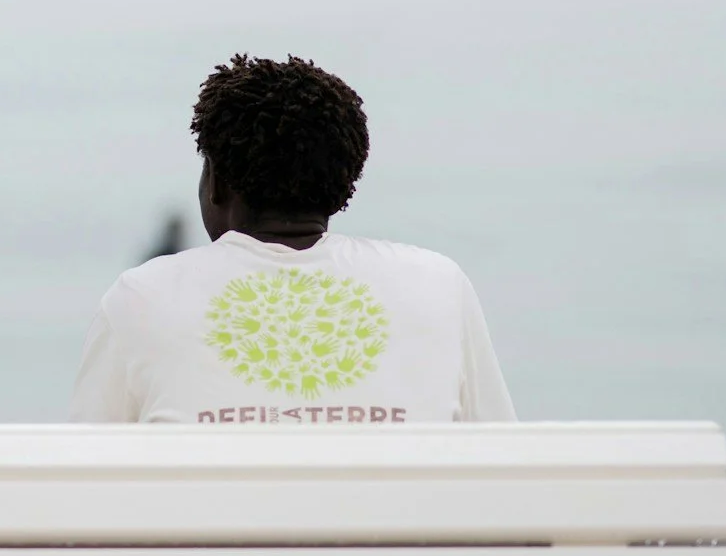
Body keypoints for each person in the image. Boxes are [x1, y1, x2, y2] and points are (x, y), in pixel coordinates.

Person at [70, 53, 513, 426]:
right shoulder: (437, 285)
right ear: (343, 181)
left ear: (218, 184)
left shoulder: (140, 297)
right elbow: (504, 466)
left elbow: (82, 489)